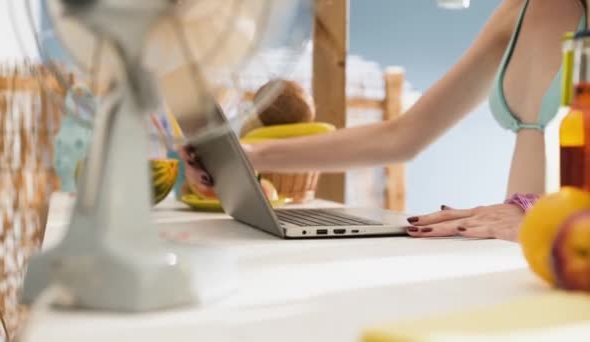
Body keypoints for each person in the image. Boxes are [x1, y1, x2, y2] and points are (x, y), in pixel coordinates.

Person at [182, 0, 587, 242]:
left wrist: (537, 214)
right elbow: (403, 136)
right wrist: (251, 155)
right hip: (509, 263)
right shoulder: (517, 12)